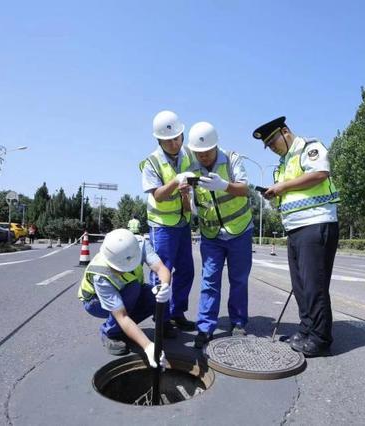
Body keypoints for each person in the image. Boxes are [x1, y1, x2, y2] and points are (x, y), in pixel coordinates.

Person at [252, 116, 340, 357]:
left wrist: (283, 187)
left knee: (314, 286)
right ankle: (306, 330)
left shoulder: (308, 148)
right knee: (300, 286)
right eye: (268, 146)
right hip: (296, 229)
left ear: (285, 131)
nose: (272, 148)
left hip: (316, 224)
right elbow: (290, 191)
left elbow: (320, 173)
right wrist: (275, 192)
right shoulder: (284, 163)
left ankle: (321, 339)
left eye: (273, 142)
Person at [187, 122, 253, 348]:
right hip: (211, 234)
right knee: (209, 280)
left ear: (216, 146)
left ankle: (238, 323)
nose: (203, 157)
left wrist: (224, 185)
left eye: (207, 152)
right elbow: (190, 204)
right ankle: (205, 328)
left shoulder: (232, 159)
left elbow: (245, 188)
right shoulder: (191, 166)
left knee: (239, 280)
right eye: (199, 153)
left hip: (239, 231)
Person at [78, 228, 174, 367]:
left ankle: (136, 328)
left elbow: (161, 269)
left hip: (128, 292)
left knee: (154, 295)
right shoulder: (100, 274)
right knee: (132, 290)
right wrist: (147, 346)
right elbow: (121, 315)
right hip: (95, 303)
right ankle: (111, 333)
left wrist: (165, 286)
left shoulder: (138, 244)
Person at [139, 110, 197, 332]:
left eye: (177, 138)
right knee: (162, 271)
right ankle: (161, 318)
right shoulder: (151, 162)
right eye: (168, 140)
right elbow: (159, 195)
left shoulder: (188, 155)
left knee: (186, 270)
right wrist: (176, 181)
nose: (174, 143)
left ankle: (177, 312)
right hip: (162, 225)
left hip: (183, 222)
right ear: (158, 140)